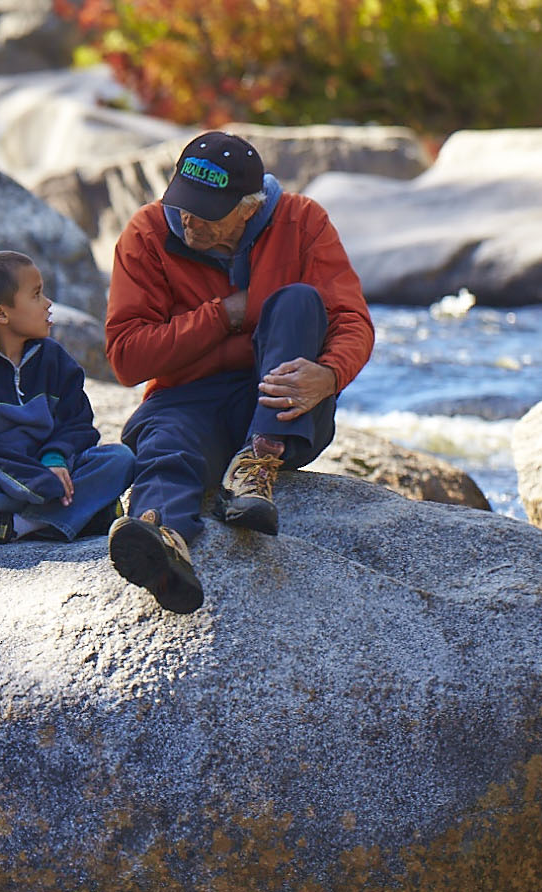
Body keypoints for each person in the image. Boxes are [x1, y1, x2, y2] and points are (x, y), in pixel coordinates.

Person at [103, 131, 375, 613]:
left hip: (278, 403)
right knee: (166, 447)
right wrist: (225, 313)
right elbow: (126, 356)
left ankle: (257, 466)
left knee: (298, 301)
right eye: (183, 201)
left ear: (250, 207)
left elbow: (351, 319)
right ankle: (161, 542)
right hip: (186, 399)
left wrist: (330, 376)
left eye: (206, 211)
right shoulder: (146, 234)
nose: (188, 219)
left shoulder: (302, 220)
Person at [0, 251, 134, 546]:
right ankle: (74, 518)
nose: (48, 303)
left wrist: (54, 458)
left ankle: (15, 526)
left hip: (51, 473)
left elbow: (78, 426)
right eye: (36, 295)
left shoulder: (54, 358)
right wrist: (34, 482)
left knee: (120, 459)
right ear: (0, 314)